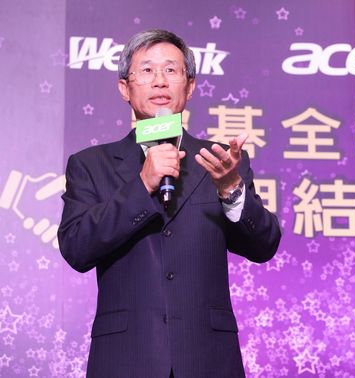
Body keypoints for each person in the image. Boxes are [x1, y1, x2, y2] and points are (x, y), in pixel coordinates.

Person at [58, 29, 281, 377]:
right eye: (147, 70)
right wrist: (142, 185)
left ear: (189, 87)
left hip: (208, 359)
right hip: (125, 358)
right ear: (124, 88)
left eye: (171, 70)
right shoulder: (90, 165)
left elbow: (264, 246)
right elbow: (77, 248)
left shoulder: (219, 160)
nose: (160, 81)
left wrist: (231, 189)